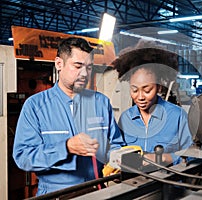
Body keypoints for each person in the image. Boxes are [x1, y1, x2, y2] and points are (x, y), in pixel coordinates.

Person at [13, 37, 125, 196]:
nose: (84, 73)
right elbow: (23, 157)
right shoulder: (35, 106)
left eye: (89, 67)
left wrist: (118, 160)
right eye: (78, 66)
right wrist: (65, 147)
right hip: (54, 193)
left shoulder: (100, 102)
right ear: (59, 64)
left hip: (96, 189)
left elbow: (115, 144)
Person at [113, 40, 193, 166]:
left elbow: (193, 157)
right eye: (134, 89)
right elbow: (118, 152)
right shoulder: (126, 118)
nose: (140, 97)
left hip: (169, 184)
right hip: (134, 183)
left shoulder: (178, 116)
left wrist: (163, 158)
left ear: (159, 88)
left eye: (147, 90)